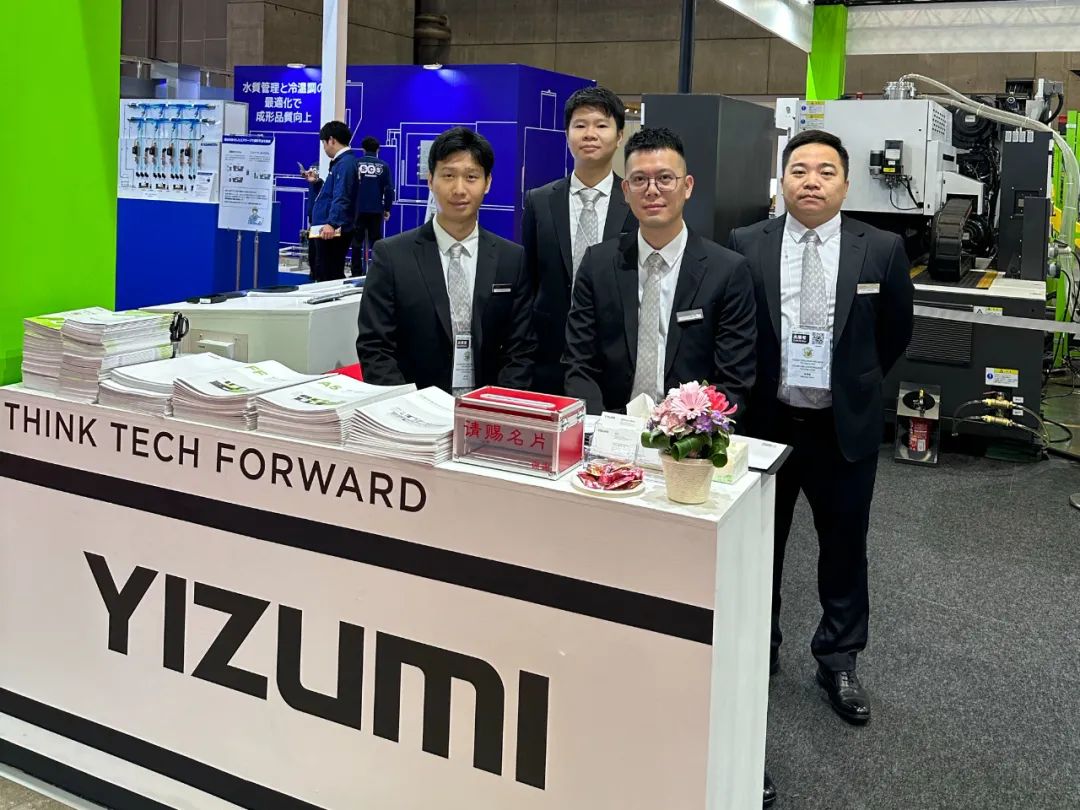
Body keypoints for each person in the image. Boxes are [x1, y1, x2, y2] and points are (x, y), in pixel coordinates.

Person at [728, 129, 914, 726]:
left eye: (826, 171)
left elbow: (895, 332)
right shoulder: (747, 242)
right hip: (767, 426)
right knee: (759, 547)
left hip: (843, 427)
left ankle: (838, 658)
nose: (812, 181)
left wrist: (856, 383)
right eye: (800, 170)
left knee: (843, 548)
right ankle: (759, 647)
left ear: (846, 183)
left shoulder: (881, 248)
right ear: (782, 181)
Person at [563, 127, 756, 416]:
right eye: (639, 179)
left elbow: (733, 379)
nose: (652, 190)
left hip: (691, 431)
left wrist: (680, 429)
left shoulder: (727, 271)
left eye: (665, 178)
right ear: (625, 191)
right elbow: (579, 363)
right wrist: (597, 427)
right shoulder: (598, 263)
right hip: (609, 425)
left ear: (687, 186)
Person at [356, 127, 536, 394]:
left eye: (471, 177)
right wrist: (408, 406)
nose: (459, 189)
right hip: (415, 407)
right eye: (448, 175)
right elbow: (375, 347)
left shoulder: (511, 259)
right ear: (431, 180)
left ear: (487, 182)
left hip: (488, 407)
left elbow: (521, 349)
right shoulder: (392, 256)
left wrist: (496, 406)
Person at [522, 86, 637, 394]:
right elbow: (529, 279)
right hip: (549, 354)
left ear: (619, 136)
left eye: (601, 125)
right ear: (567, 134)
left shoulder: (635, 202)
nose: (590, 134)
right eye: (580, 125)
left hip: (614, 355)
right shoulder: (539, 201)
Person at [308, 121, 361, 281]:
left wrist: (332, 223)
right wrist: (317, 183)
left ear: (331, 140)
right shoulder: (342, 163)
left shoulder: (345, 164)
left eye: (324, 143)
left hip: (332, 230)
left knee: (328, 273)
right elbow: (333, 193)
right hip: (326, 227)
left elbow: (342, 196)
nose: (324, 148)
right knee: (323, 270)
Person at [352, 136, 395, 275]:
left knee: (356, 242)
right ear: (378, 150)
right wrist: (387, 208)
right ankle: (377, 273)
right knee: (376, 242)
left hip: (358, 209)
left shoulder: (356, 164)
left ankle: (356, 272)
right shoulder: (384, 166)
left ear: (363, 149)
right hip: (376, 209)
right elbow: (389, 189)